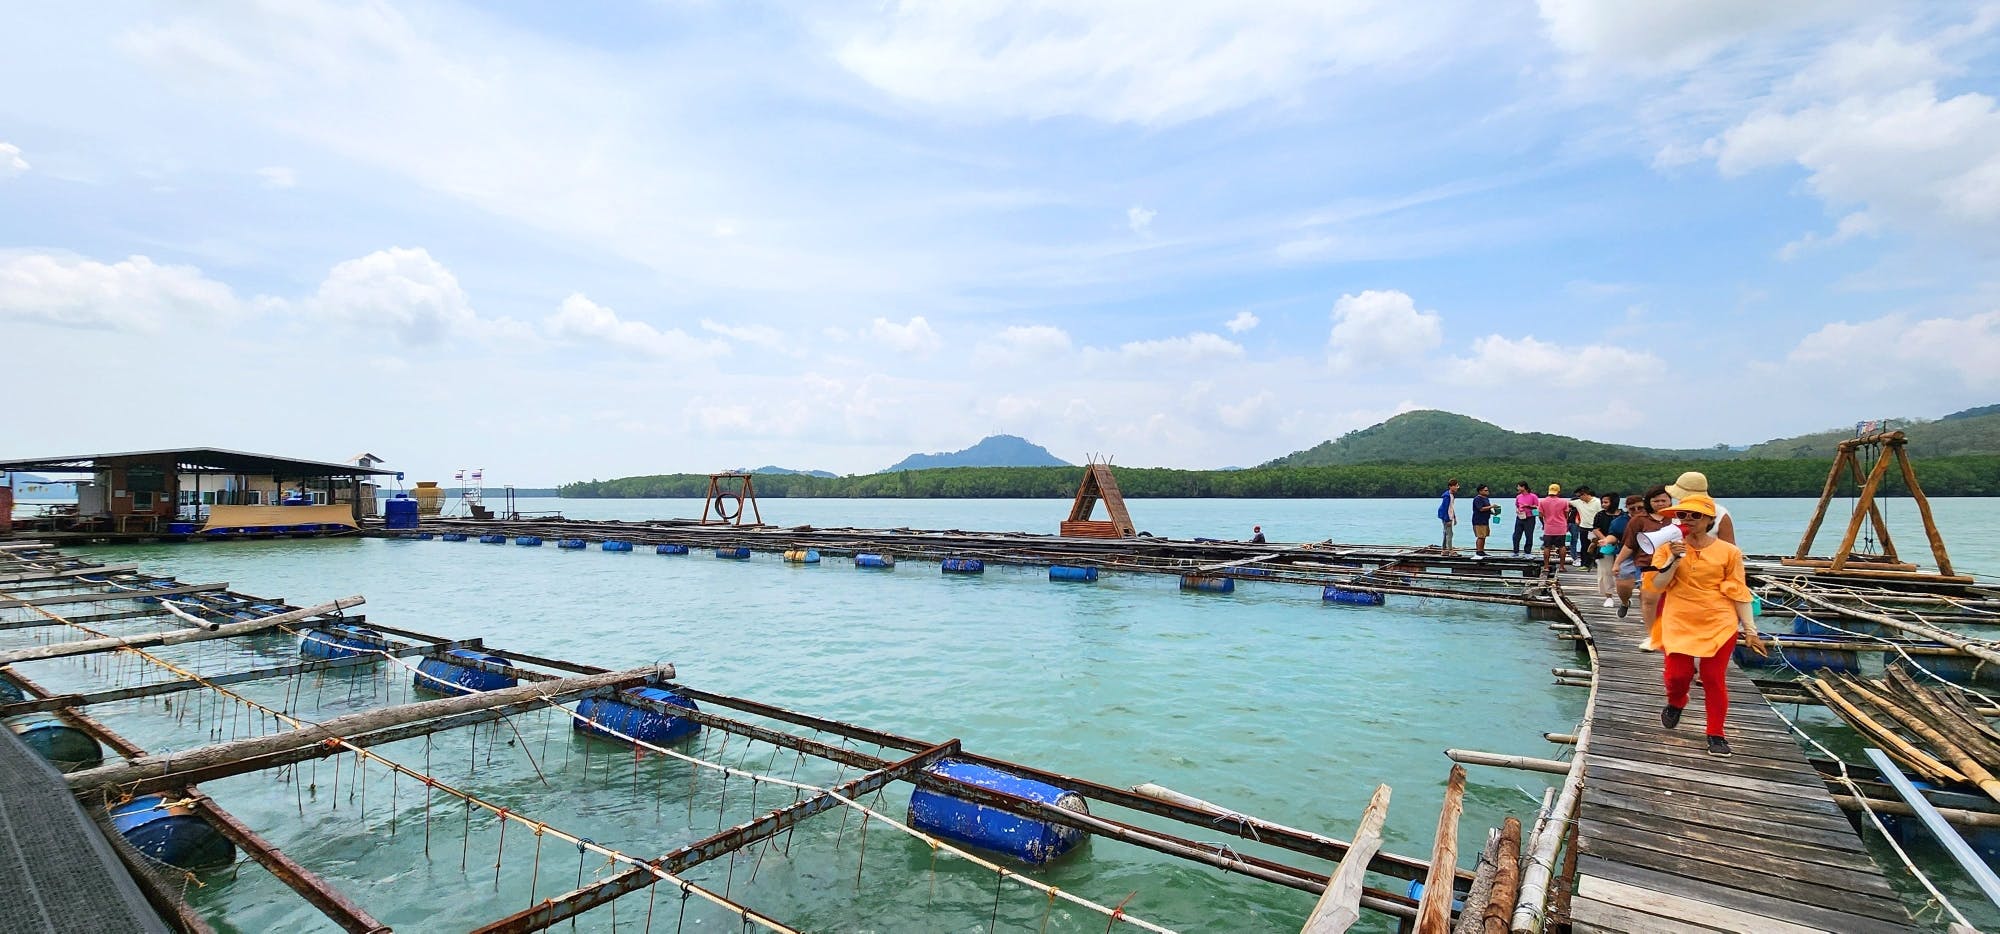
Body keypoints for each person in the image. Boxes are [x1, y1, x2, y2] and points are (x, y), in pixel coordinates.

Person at [1645, 493, 1768, 757]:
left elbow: (1738, 591)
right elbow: (1657, 585)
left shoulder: (1729, 552)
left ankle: (1716, 733)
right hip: (1679, 619)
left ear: (1710, 519)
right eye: (1682, 515)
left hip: (1719, 621)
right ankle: (1676, 701)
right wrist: (1673, 560)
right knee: (1677, 675)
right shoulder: (1668, 548)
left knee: (1713, 678)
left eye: (1695, 515)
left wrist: (1750, 630)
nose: (1688, 519)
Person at [1613, 486, 1673, 621]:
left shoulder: (1675, 518)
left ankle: (1654, 616)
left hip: (1669, 562)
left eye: (1663, 500)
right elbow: (1629, 544)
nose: (1660, 504)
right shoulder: (1639, 520)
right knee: (1636, 590)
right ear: (1649, 502)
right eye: (1656, 501)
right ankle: (1628, 604)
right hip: (1645, 561)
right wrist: (1617, 563)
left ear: (1670, 501)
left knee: (1658, 593)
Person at [1667, 471, 1734, 544]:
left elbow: (1729, 547)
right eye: (1681, 515)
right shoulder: (1674, 511)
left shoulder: (1720, 513)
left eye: (1696, 515)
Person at [1592, 495, 1625, 605]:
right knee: (1605, 571)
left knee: (1623, 571)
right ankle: (1608, 596)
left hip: (1622, 546)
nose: (1603, 504)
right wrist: (1605, 540)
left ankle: (1624, 595)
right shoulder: (1600, 515)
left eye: (1606, 502)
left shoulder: (1624, 516)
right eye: (1602, 502)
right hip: (1605, 546)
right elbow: (1596, 529)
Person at [1535, 483, 1571, 576]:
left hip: (1549, 527)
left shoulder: (1542, 502)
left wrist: (1544, 523)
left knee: (1547, 547)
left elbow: (1540, 515)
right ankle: (1562, 566)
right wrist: (1564, 521)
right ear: (1558, 492)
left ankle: (1546, 566)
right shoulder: (1564, 502)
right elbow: (1566, 515)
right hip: (1561, 527)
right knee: (1562, 546)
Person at [1570, 487, 1602, 566]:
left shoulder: (1597, 502)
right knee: (1584, 546)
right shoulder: (1578, 502)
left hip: (1595, 528)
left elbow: (1602, 514)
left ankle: (1595, 563)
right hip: (1583, 527)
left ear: (1585, 494)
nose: (1579, 498)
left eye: (1579, 496)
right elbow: (1564, 503)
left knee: (1596, 546)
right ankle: (1584, 564)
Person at [1511, 481, 1538, 557]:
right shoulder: (1518, 496)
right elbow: (1517, 505)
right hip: (1520, 517)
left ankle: (1527, 552)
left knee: (1529, 535)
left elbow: (1537, 507)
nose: (1517, 488)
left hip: (1530, 518)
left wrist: (1528, 506)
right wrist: (1517, 509)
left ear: (1523, 487)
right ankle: (1515, 552)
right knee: (1516, 535)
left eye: (1518, 486)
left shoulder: (1533, 496)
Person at [1469, 484, 1496, 557]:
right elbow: (1480, 508)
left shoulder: (1486, 498)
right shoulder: (1477, 499)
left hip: (1485, 520)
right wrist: (1492, 506)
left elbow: (1487, 508)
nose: (1487, 491)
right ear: (1480, 491)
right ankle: (1479, 551)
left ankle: (1482, 550)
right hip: (1479, 520)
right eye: (1485, 490)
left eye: (1487, 490)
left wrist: (1492, 512)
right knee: (1480, 536)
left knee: (1484, 536)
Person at [1437, 479, 1459, 553]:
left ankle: (1444, 549)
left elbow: (1451, 507)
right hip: (1446, 517)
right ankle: (1450, 551)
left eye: (1457, 486)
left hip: (1449, 516)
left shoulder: (1452, 495)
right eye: (1455, 486)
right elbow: (1445, 508)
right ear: (1450, 486)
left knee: (1446, 532)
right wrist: (1447, 520)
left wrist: (1454, 517)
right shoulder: (1447, 496)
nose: (1457, 487)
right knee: (1449, 533)